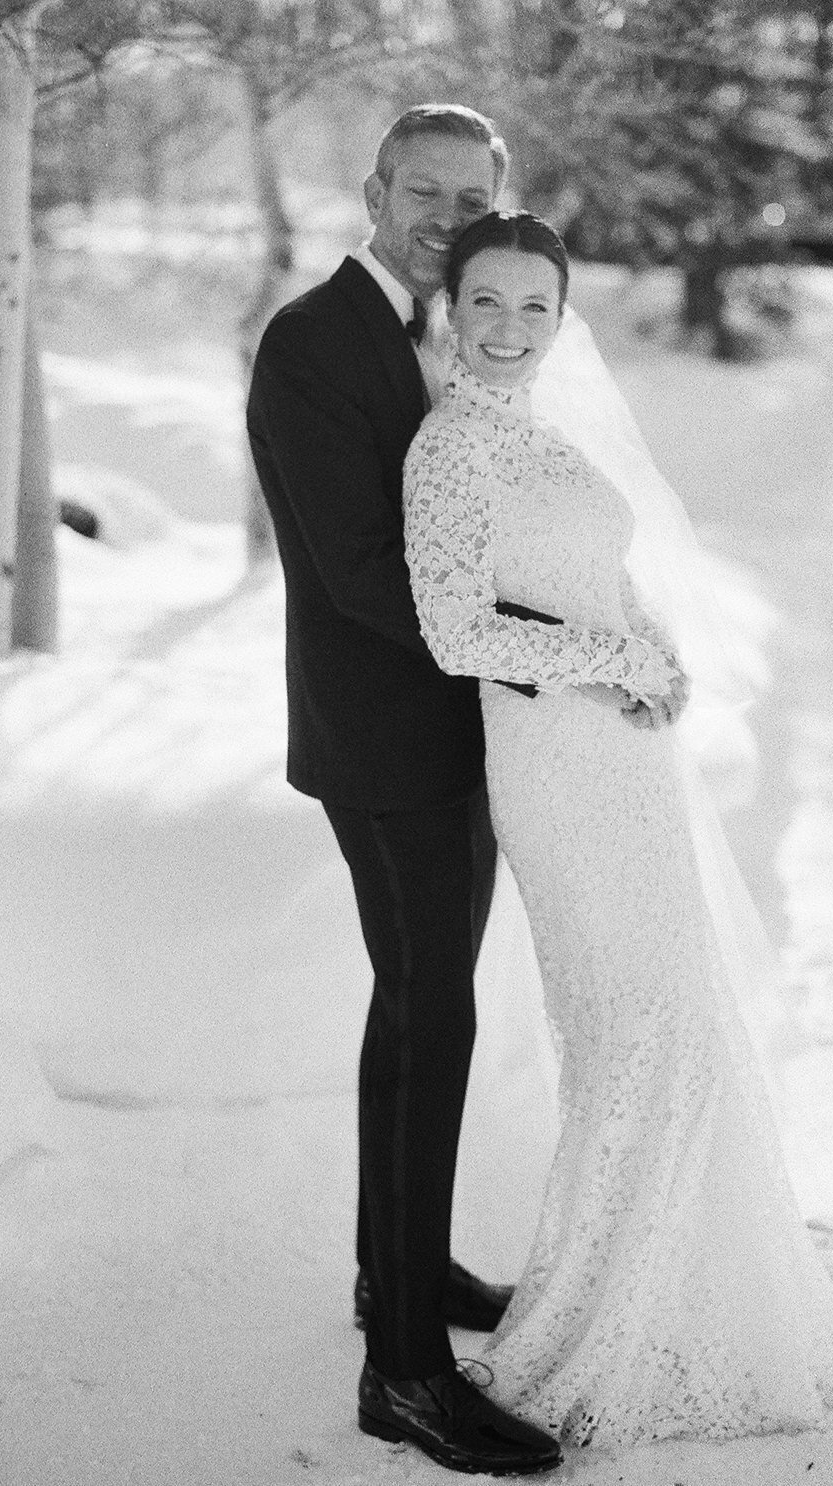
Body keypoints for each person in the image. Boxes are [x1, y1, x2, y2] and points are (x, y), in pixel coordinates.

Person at [403, 210, 833, 1458]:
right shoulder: (451, 448)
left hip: (623, 759)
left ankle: (701, 1291)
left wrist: (648, 649)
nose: (511, 330)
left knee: (676, 1015)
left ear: (562, 320)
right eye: (489, 303)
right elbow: (458, 633)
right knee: (635, 1026)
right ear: (451, 309)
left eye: (535, 308)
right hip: (558, 773)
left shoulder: (546, 436)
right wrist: (606, 654)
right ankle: (611, 1312)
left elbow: (588, 575)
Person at [246, 111, 562, 1477]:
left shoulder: (440, 327)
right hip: (385, 740)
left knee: (417, 1004)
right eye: (420, 189)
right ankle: (409, 1380)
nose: (445, 211)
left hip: (451, 730)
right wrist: (546, 641)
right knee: (435, 1014)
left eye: (469, 192)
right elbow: (361, 572)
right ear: (372, 191)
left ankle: (402, 1271)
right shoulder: (315, 342)